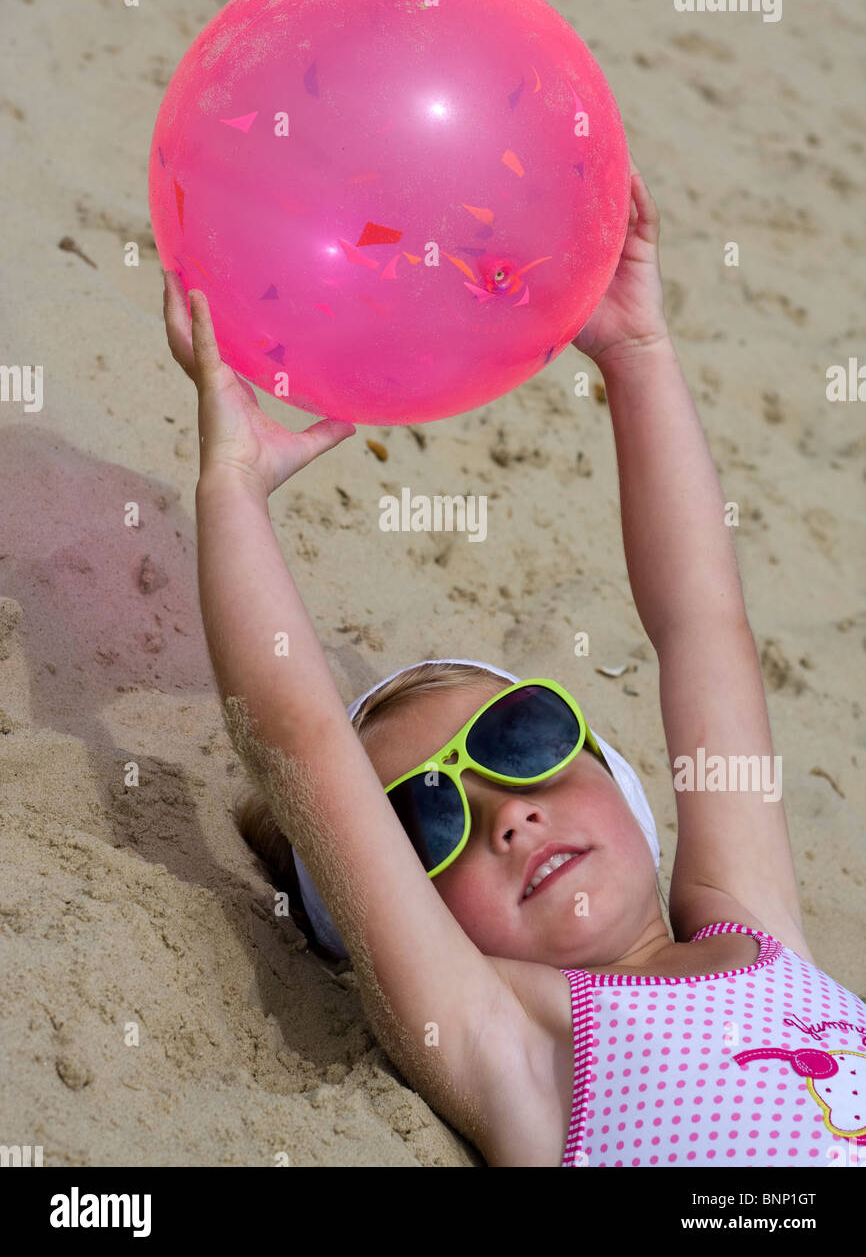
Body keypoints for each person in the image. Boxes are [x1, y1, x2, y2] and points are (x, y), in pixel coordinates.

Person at [163, 159, 866, 1168]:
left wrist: (635, 353)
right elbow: (298, 740)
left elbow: (699, 621)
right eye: (425, 817)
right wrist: (230, 485)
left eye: (519, 739)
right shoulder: (515, 1037)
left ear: (618, 781)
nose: (507, 814)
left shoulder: (755, 928)